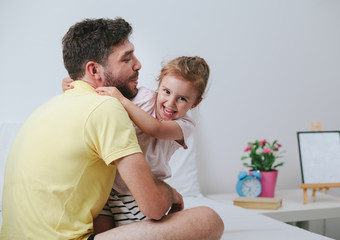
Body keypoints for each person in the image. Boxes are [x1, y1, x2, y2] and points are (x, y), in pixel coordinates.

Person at [0, 17, 223, 240]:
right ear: (94, 70)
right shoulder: (107, 108)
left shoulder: (48, 108)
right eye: (127, 59)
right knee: (208, 219)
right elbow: (153, 207)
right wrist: (170, 192)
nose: (138, 65)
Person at [62, 56, 209, 230]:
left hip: (140, 192)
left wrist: (123, 101)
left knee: (134, 232)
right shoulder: (143, 97)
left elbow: (155, 129)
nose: (170, 103)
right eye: (166, 92)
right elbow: (104, 99)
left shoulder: (184, 126)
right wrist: (76, 86)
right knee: (101, 231)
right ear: (159, 85)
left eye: (182, 99)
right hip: (109, 187)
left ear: (196, 103)